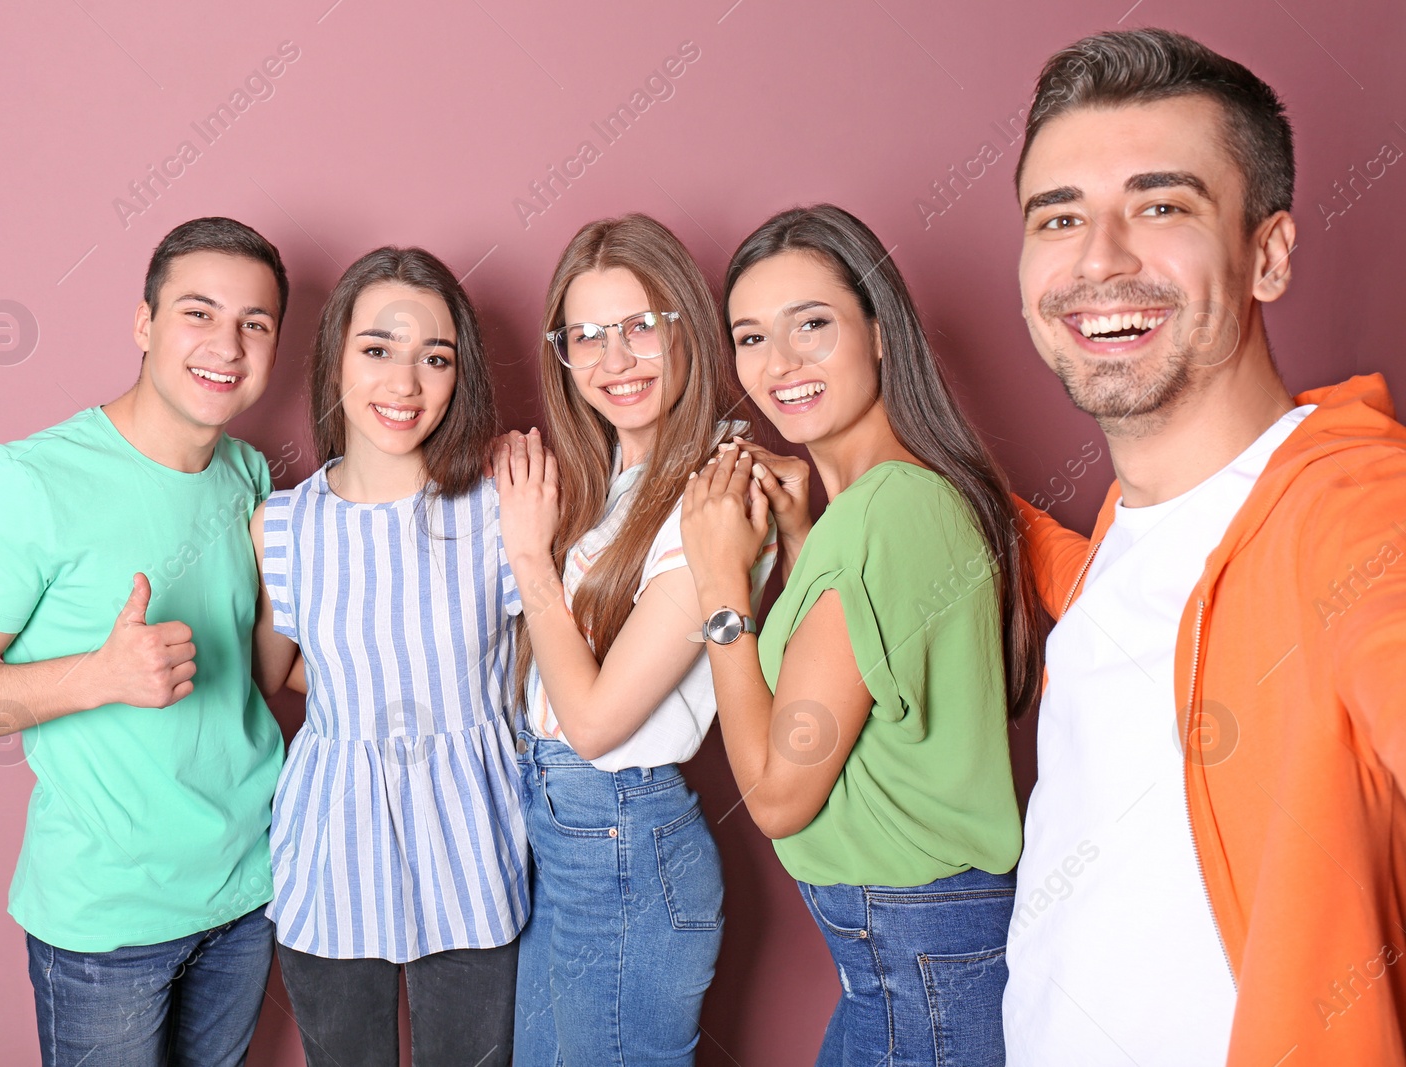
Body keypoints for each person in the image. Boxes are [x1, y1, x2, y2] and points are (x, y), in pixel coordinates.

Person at [1003, 28, 1406, 1067]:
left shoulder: (1351, 510)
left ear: (1266, 254)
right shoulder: (1124, 531)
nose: (1098, 259)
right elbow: (1093, 583)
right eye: (1060, 217)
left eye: (1160, 205)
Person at [0, 217, 288, 1064]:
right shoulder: (28, 479)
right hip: (107, 923)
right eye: (198, 312)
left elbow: (256, 680)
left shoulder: (249, 475)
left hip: (249, 890)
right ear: (144, 324)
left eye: (254, 323)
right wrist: (100, 675)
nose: (227, 342)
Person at [680, 204, 1043, 1067]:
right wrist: (807, 538)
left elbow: (776, 795)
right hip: (908, 953)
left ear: (881, 333)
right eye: (752, 336)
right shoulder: (889, 501)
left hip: (915, 953)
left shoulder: (885, 510)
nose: (781, 363)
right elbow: (866, 676)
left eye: (813, 324)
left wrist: (722, 590)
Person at [494, 213, 776, 1067]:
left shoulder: (715, 491)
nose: (614, 360)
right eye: (588, 336)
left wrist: (526, 554)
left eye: (640, 327)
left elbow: (594, 720)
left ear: (688, 321)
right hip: (561, 829)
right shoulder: (610, 480)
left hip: (621, 838)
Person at [249, 247, 527, 1067]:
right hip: (331, 851)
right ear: (335, 354)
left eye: (433, 357)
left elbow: (536, 672)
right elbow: (277, 675)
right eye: (377, 349)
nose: (404, 384)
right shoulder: (284, 524)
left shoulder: (502, 506)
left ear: (459, 373)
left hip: (478, 848)